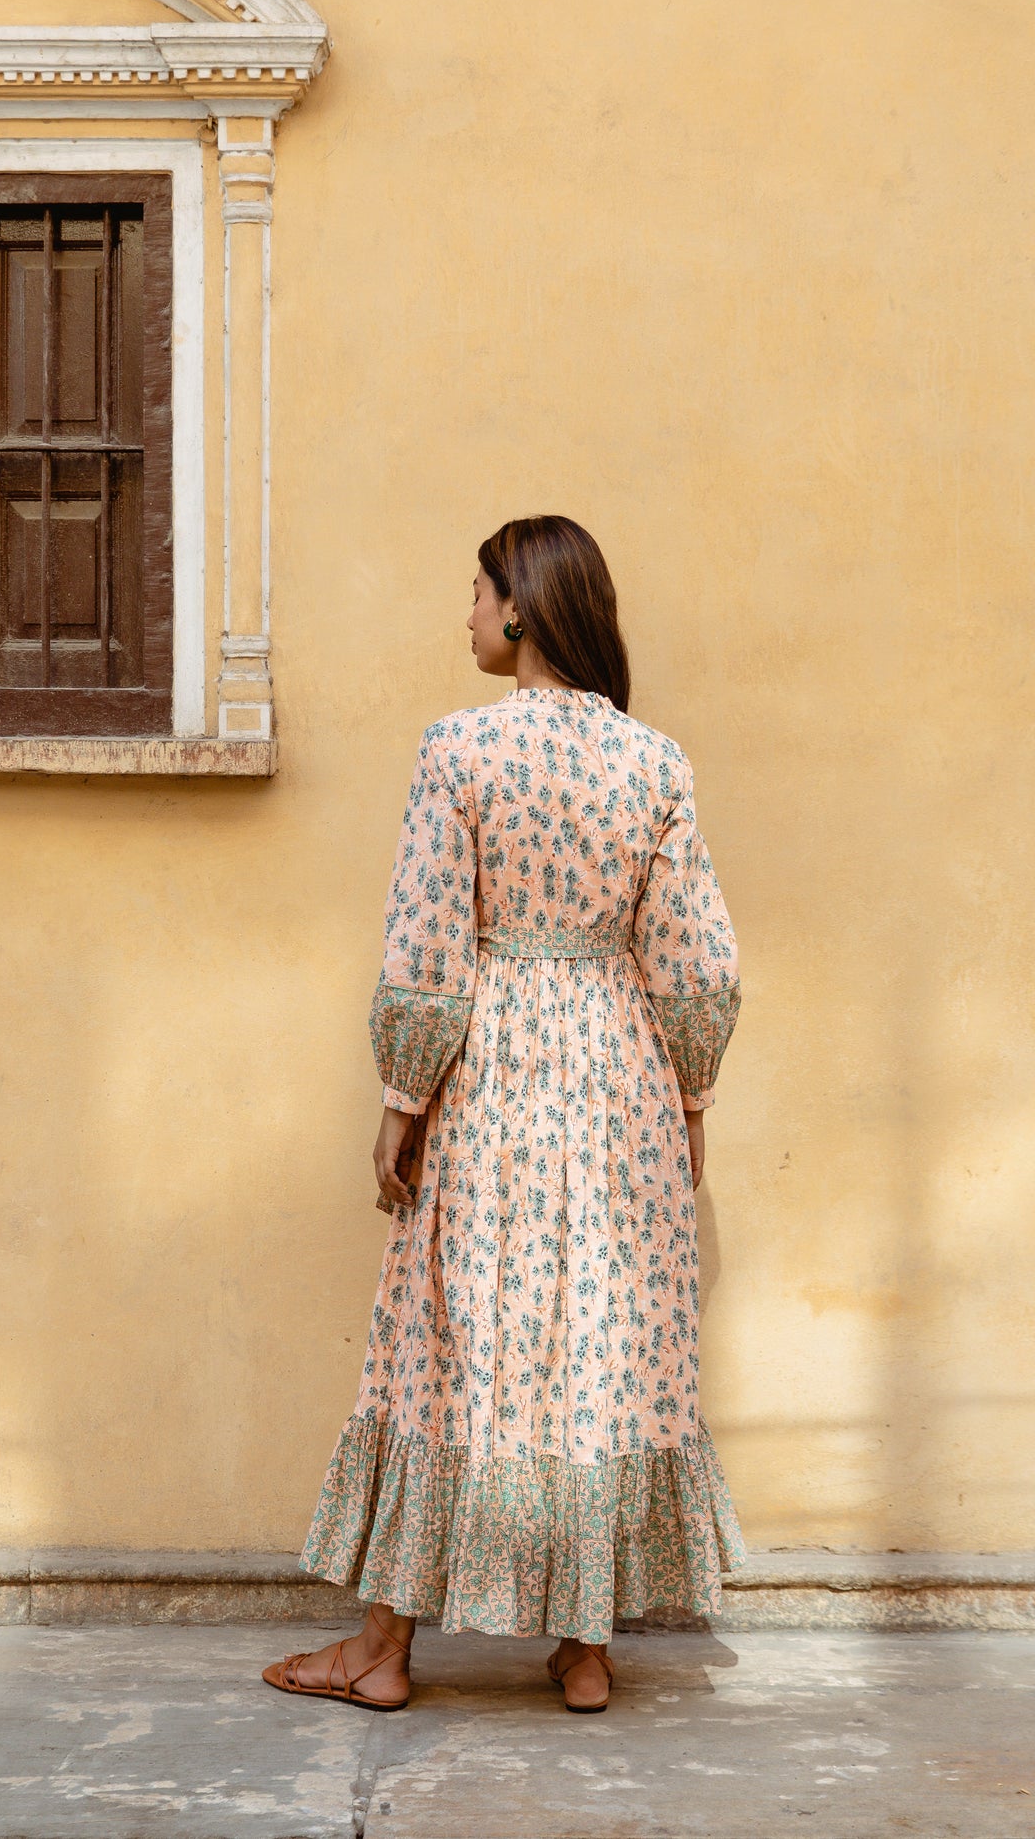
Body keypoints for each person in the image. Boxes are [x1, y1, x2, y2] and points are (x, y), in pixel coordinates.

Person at [263, 515, 746, 1715]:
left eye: (476, 594)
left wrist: (399, 1098)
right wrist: (688, 1094)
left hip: (492, 1074)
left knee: (446, 1344)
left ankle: (380, 1649)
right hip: (618, 1076)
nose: (466, 615)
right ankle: (585, 1652)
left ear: (522, 607)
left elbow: (425, 944)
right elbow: (696, 963)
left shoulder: (458, 751)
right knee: (596, 1347)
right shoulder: (656, 764)